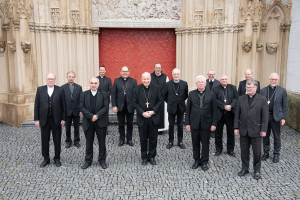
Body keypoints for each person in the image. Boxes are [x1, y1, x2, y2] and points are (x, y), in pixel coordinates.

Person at [234, 79, 268, 180]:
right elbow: (237, 115)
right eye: (247, 87)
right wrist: (236, 127)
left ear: (256, 88)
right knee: (244, 151)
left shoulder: (262, 99)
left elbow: (265, 116)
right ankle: (245, 168)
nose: (248, 89)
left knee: (257, 152)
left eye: (250, 87)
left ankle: (257, 170)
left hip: (256, 130)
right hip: (244, 129)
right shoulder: (241, 99)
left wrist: (263, 129)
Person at [34, 73, 66, 168]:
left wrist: (64, 118)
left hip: (56, 120)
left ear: (55, 80)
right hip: (44, 120)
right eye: (49, 79)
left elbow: (64, 105)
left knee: (57, 140)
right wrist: (36, 119)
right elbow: (36, 105)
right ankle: (46, 159)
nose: (50, 80)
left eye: (52, 79)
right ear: (46, 80)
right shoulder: (40, 90)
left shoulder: (60, 90)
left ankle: (57, 158)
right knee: (44, 140)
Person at [185, 75, 217, 171]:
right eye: (199, 82)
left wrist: (214, 124)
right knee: (195, 143)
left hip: (206, 123)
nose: (201, 84)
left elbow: (214, 110)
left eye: (202, 82)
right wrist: (187, 123)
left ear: (205, 83)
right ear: (196, 84)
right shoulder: (191, 94)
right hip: (194, 123)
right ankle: (196, 161)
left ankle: (204, 162)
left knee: (205, 144)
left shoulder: (211, 94)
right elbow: (188, 110)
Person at [133, 72, 163, 165]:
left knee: (153, 138)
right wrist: (142, 112)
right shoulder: (137, 89)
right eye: (144, 79)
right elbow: (134, 103)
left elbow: (160, 101)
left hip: (153, 117)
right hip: (142, 118)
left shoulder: (156, 87)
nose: (146, 81)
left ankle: (152, 156)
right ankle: (144, 157)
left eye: (148, 79)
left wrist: (153, 111)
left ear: (150, 79)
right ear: (141, 79)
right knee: (143, 139)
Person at [80, 77, 109, 169]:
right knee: (89, 143)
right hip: (88, 122)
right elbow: (81, 107)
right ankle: (88, 161)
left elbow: (105, 107)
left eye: (95, 83)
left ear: (98, 84)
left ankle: (102, 160)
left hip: (101, 122)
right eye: (92, 83)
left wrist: (96, 116)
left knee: (102, 142)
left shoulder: (104, 94)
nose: (93, 85)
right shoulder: (84, 94)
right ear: (89, 84)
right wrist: (91, 116)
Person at [260, 73, 287, 163]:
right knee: (265, 136)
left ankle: (276, 154)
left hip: (276, 117)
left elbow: (284, 105)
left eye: (275, 79)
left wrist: (283, 118)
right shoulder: (263, 90)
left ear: (278, 80)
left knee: (277, 136)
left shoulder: (282, 90)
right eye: (272, 79)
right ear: (269, 79)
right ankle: (266, 153)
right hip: (265, 116)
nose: (273, 81)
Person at [212, 74, 238, 157]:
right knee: (218, 133)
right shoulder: (215, 88)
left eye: (225, 79)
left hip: (230, 114)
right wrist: (223, 106)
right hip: (220, 114)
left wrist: (231, 106)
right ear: (220, 81)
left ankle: (230, 150)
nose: (224, 80)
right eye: (222, 79)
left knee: (230, 133)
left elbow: (236, 98)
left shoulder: (233, 87)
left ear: (228, 80)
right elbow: (214, 100)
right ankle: (218, 149)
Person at [111, 66, 137, 146]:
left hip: (130, 106)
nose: (125, 73)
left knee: (130, 124)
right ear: (121, 72)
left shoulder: (133, 81)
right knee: (121, 124)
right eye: (123, 71)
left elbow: (136, 95)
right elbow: (113, 94)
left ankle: (129, 139)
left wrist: (136, 106)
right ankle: (122, 139)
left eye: (126, 71)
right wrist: (114, 105)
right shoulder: (116, 81)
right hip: (120, 107)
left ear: (129, 72)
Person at [163, 68, 188, 149]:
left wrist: (179, 101)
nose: (176, 75)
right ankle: (171, 141)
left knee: (180, 126)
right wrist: (170, 101)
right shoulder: (168, 84)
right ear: (172, 75)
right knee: (171, 125)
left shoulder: (184, 84)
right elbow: (164, 95)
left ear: (180, 74)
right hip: (171, 107)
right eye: (174, 74)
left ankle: (180, 141)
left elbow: (186, 95)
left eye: (177, 74)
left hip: (181, 107)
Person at [61, 71, 83, 148]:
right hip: (67, 111)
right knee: (67, 128)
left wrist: (81, 110)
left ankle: (77, 141)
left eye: (72, 77)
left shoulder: (79, 87)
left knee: (77, 127)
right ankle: (68, 141)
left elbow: (81, 99)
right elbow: (61, 100)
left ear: (74, 78)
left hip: (76, 110)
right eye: (69, 77)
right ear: (67, 77)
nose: (71, 78)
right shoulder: (62, 88)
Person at [150, 63, 169, 133]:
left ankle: (161, 129)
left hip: (162, 99)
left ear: (161, 68)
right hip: (152, 99)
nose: (158, 69)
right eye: (156, 67)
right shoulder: (150, 76)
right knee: (153, 113)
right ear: (154, 68)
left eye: (159, 68)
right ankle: (153, 128)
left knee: (161, 114)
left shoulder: (165, 77)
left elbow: (167, 88)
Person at [96, 65, 112, 134]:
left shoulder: (108, 79)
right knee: (98, 113)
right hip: (97, 100)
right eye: (100, 70)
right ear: (99, 71)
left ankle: (105, 128)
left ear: (105, 71)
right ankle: (98, 127)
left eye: (103, 70)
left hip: (106, 100)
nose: (102, 71)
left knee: (105, 114)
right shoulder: (96, 79)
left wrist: (104, 96)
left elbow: (110, 90)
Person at [205, 69, 220, 138]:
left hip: (215, 102)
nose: (211, 75)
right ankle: (207, 130)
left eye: (212, 74)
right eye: (209, 74)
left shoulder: (218, 82)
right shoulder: (205, 82)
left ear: (214, 75)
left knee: (214, 116)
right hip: (206, 103)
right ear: (207, 75)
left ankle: (213, 131)